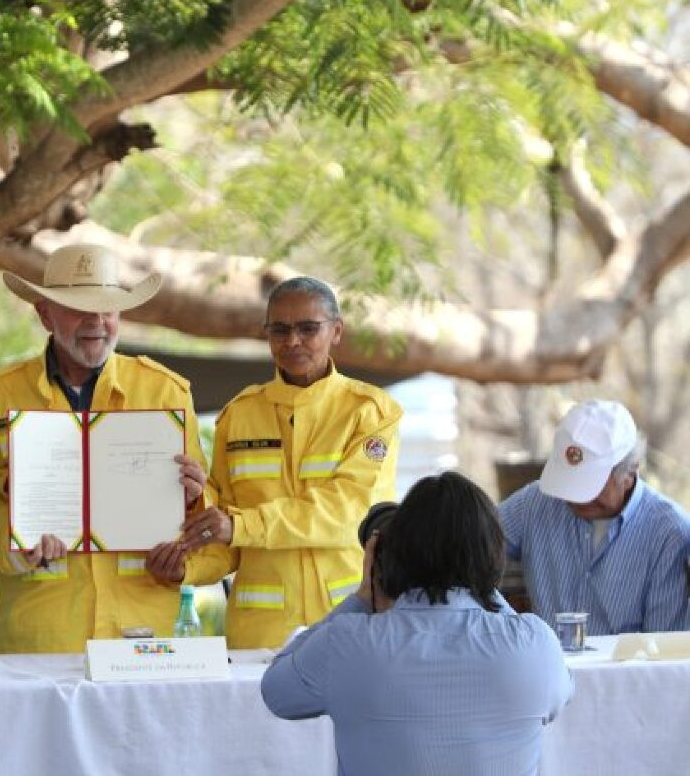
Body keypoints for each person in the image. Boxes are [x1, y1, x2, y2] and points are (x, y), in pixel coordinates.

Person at [0, 243, 230, 653]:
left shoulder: (165, 390)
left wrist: (193, 495)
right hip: (37, 634)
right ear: (44, 313)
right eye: (79, 308)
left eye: (108, 309)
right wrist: (18, 543)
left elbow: (204, 511)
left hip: (143, 630)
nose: (97, 322)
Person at [262, 471, 573, 776]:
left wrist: (362, 597)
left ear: (393, 555)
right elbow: (561, 694)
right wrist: (482, 586)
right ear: (493, 554)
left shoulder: (346, 643)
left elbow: (277, 691)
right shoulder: (535, 646)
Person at [169, 277, 402, 648]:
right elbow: (224, 535)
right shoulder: (239, 415)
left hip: (351, 623)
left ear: (336, 331)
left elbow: (349, 511)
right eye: (279, 330)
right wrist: (187, 566)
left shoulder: (370, 412)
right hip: (258, 636)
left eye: (308, 329)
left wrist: (241, 524)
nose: (292, 341)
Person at [499, 399, 690, 634]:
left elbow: (660, 651)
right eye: (568, 482)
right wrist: (495, 610)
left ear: (630, 471)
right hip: (545, 667)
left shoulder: (669, 532)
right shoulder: (535, 502)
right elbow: (467, 546)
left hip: (628, 671)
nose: (576, 498)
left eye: (589, 486)